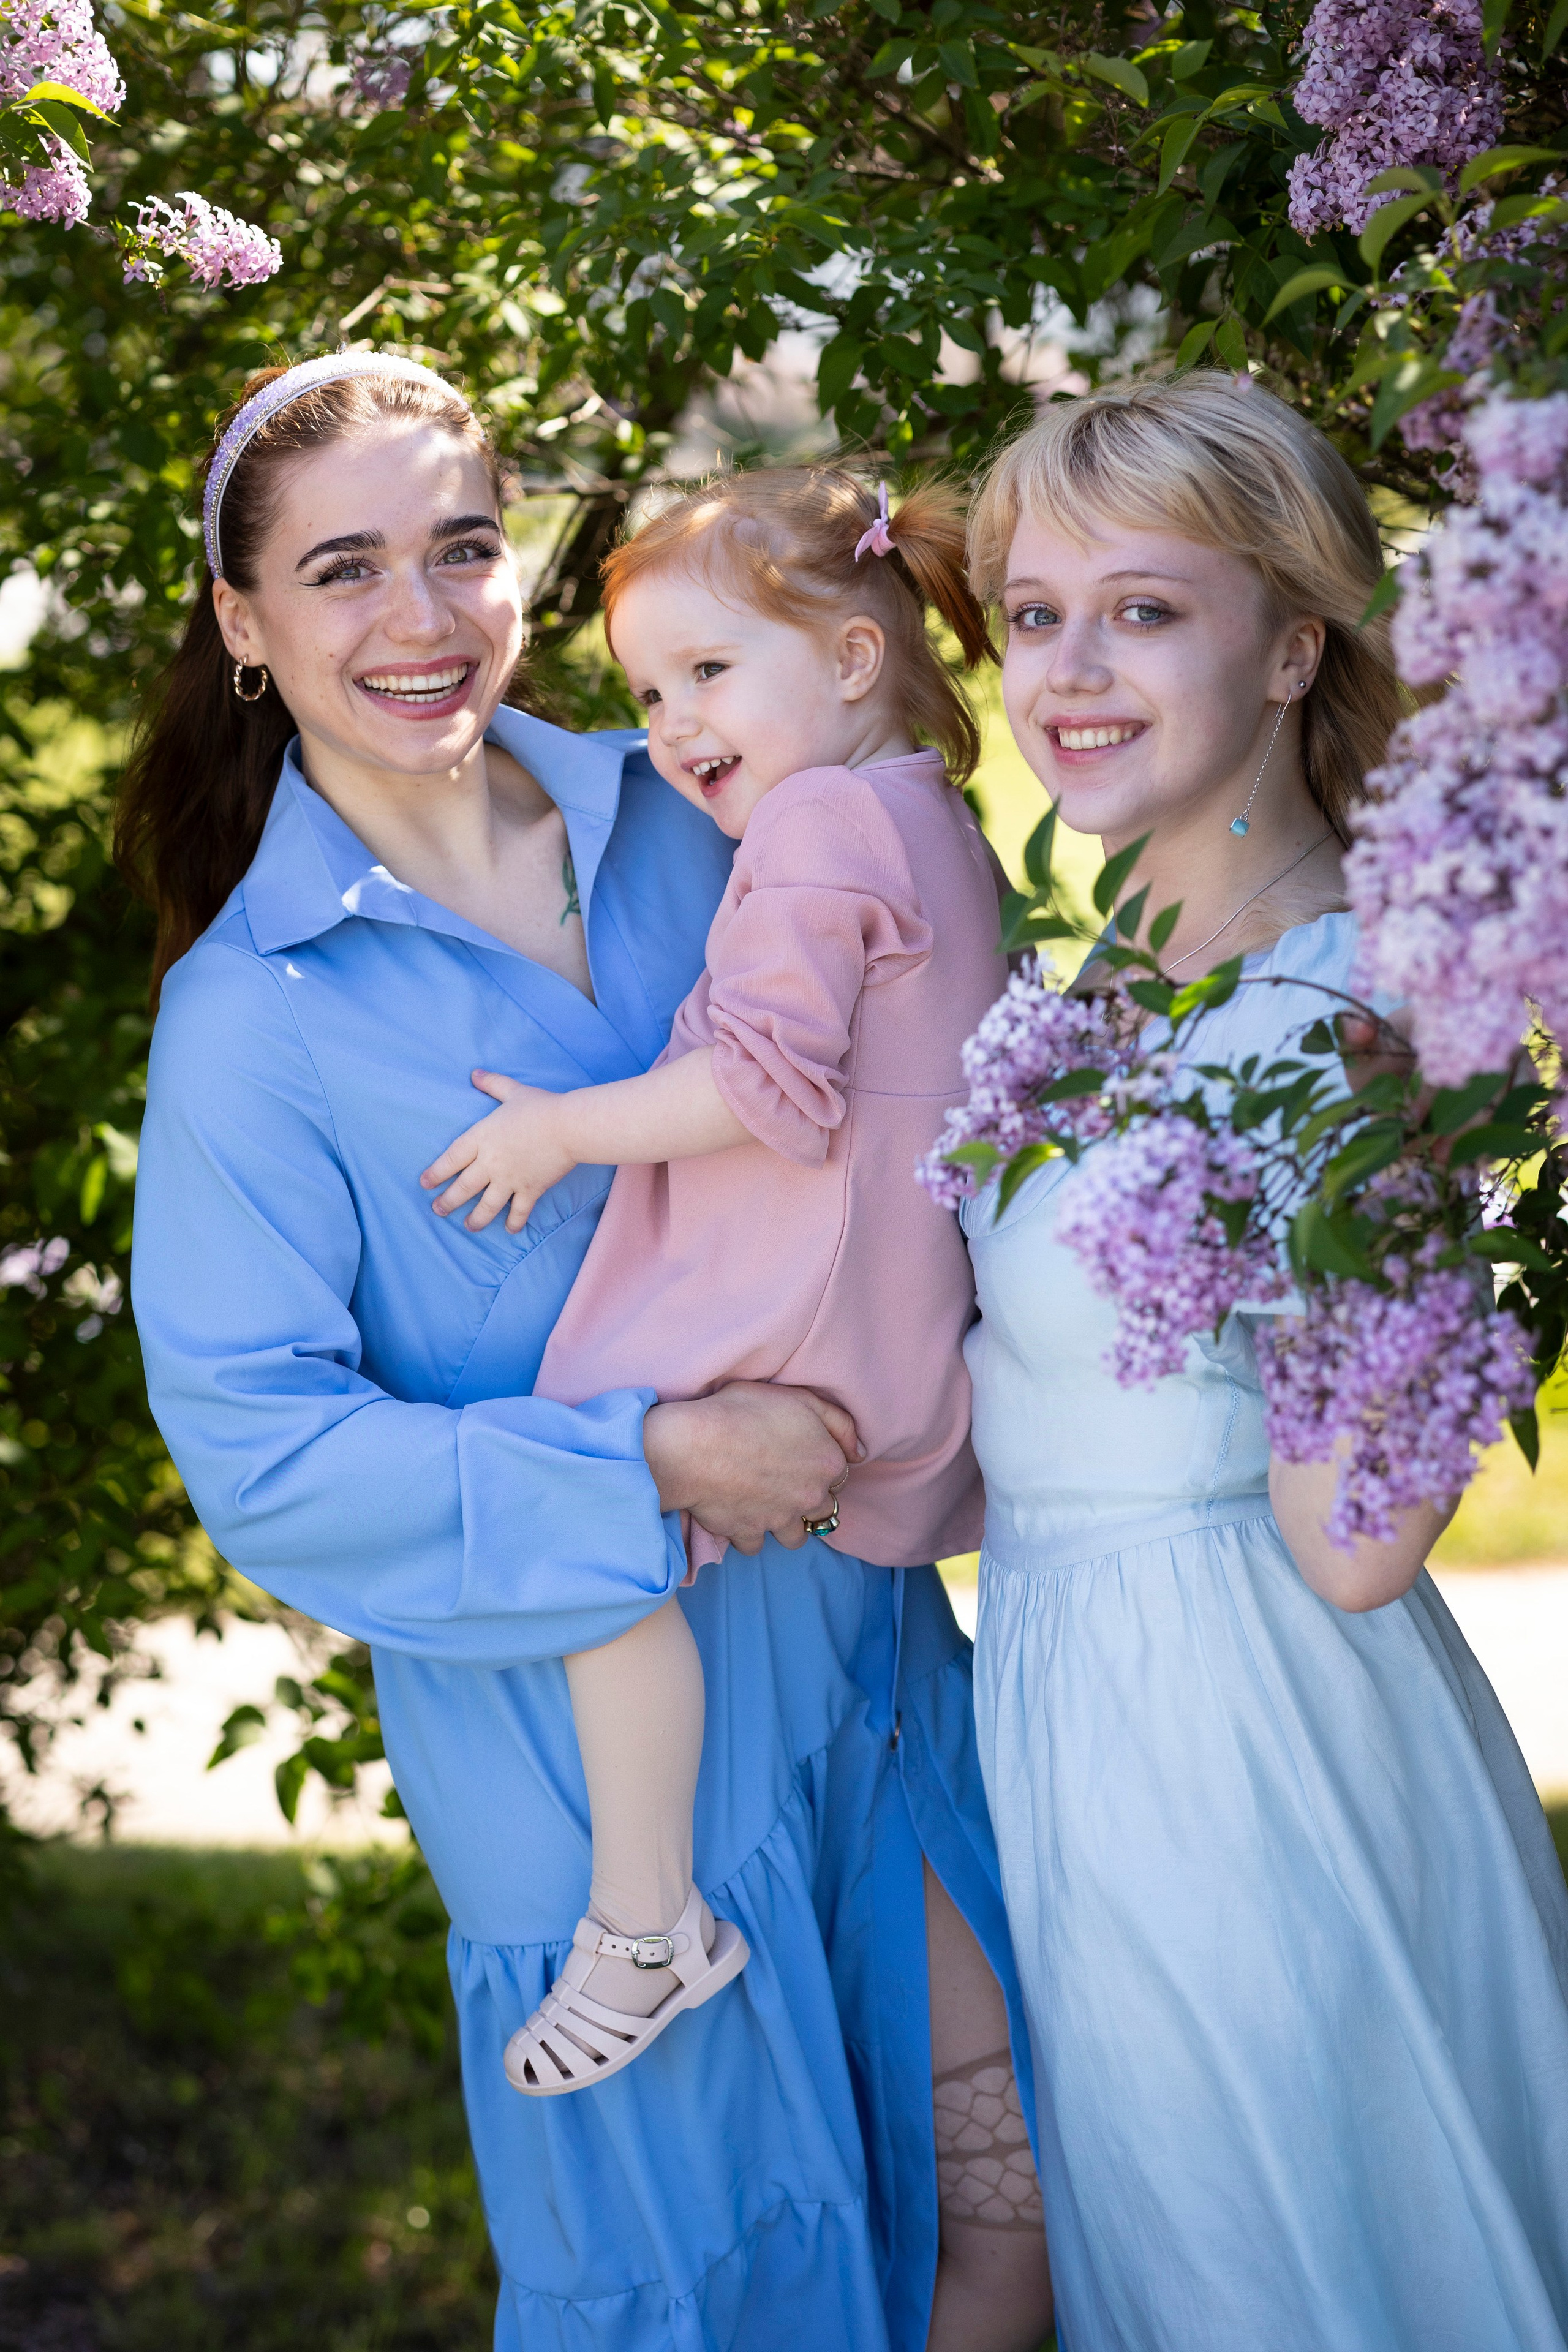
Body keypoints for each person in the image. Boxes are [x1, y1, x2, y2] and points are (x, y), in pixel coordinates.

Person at [123, 352, 1051, 2352]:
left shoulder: (710, 806)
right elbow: (263, 1455)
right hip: (603, 1805)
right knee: (729, 2302)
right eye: (345, 567)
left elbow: (928, 1075)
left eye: (462, 549)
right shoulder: (249, 1019)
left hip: (890, 1689)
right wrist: (646, 1459)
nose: (420, 616)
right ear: (245, 625)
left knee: (1018, 2235)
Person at [959, 372, 1568, 2351]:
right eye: (1035, 613)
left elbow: (1361, 1547)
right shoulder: (1088, 981)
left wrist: (1369, 1230)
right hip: (1065, 1710)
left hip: (1244, 1751)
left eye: (1144, 610)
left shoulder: (1370, 1002)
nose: (1069, 669)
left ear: (1296, 642)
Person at [417, 470, 1030, 2125]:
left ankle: (644, 1918)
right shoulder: (931, 817)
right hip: (897, 1321)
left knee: (590, 1489)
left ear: (847, 658)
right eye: (643, 692)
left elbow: (763, 1084)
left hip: (800, 1293)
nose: (672, 725)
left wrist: (559, 1132)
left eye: (707, 673)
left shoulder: (822, 823)